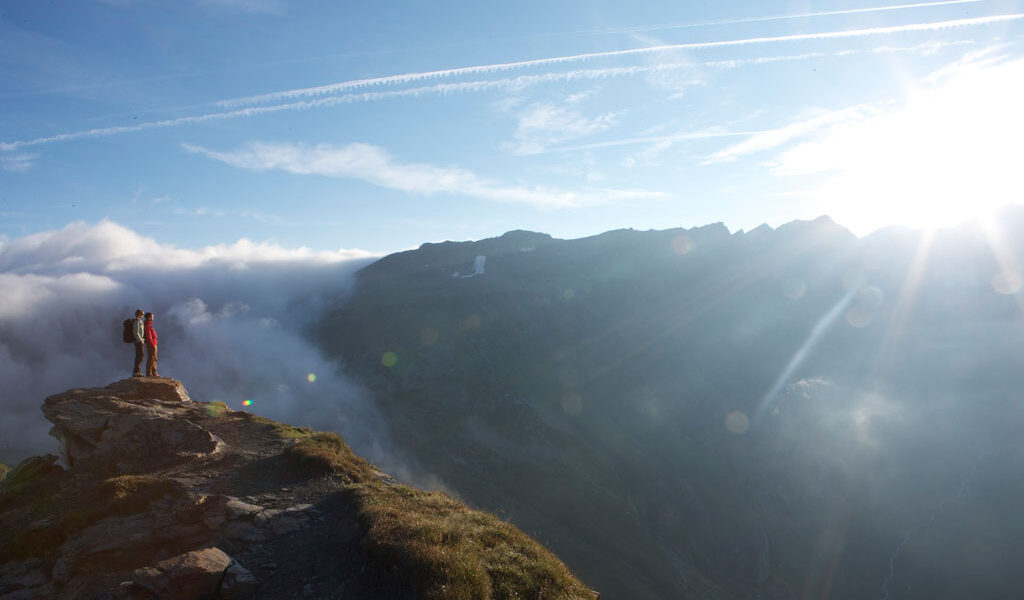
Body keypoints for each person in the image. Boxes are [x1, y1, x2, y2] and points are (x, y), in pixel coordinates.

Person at [144, 311, 160, 378]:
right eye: (152, 316)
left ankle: (154, 372)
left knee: (154, 358)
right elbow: (148, 336)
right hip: (151, 344)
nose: (153, 317)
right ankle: (149, 373)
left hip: (153, 343)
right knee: (151, 358)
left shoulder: (149, 324)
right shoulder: (147, 325)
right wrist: (152, 344)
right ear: (149, 317)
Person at [132, 309, 145, 377]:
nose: (143, 315)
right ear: (139, 314)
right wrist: (140, 340)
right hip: (138, 341)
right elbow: (136, 332)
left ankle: (138, 371)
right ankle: (136, 371)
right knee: (140, 356)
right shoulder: (136, 321)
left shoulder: (139, 321)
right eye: (142, 314)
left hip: (139, 341)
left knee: (140, 355)